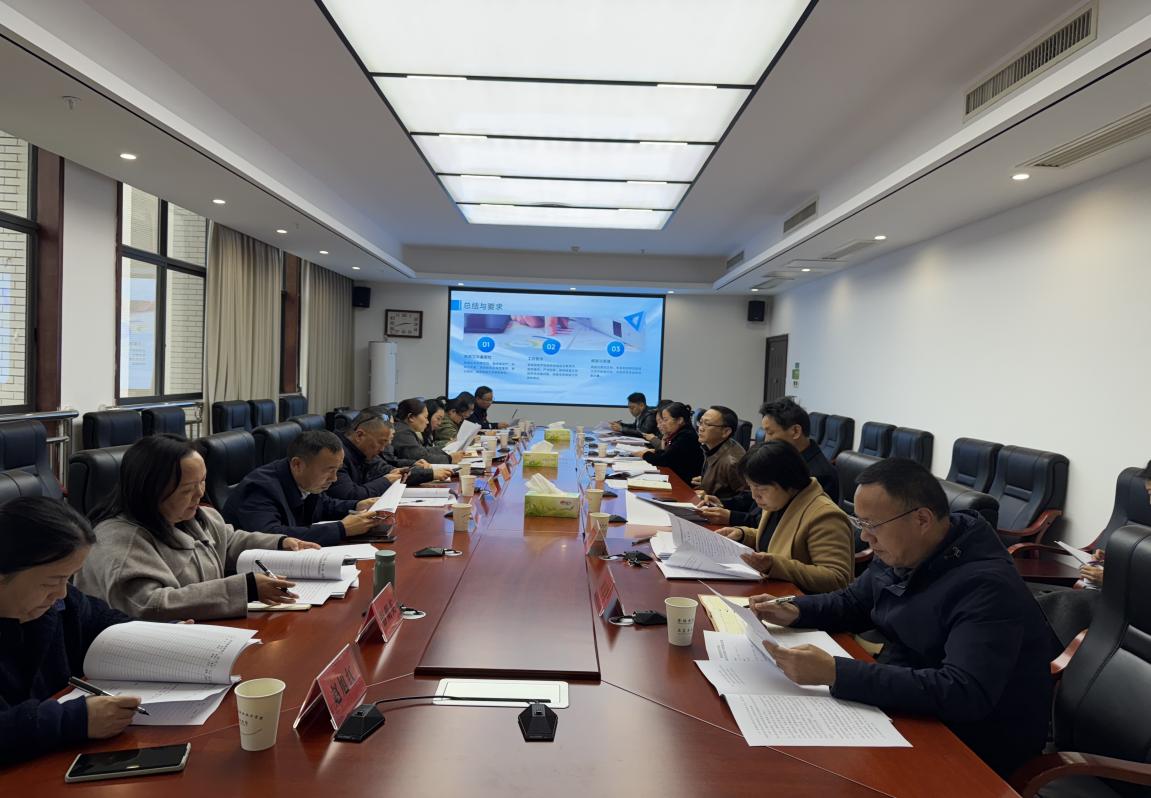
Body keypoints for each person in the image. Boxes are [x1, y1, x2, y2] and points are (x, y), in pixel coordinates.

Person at [749, 458, 1059, 777]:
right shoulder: (908, 549)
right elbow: (854, 602)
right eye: (860, 523)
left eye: (872, 525)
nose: (865, 538)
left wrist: (836, 672)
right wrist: (796, 609)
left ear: (922, 519)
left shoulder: (986, 586)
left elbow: (963, 692)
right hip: (910, 700)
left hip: (971, 744)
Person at [77, 435, 316, 621]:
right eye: (188, 488)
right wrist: (246, 589)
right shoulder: (120, 540)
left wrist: (280, 543)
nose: (200, 493)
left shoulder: (193, 516)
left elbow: (228, 541)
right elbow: (148, 604)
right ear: (151, 489)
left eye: (202, 482)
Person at [0, 497, 140, 766]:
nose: (62, 593)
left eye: (69, 578)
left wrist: (160, 635)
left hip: (51, 761)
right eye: (51, 582)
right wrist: (74, 720)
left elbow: (101, 621)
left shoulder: (57, 603)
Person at [1035, 458, 1151, 645]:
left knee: (1061, 608)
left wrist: (1110, 581)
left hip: (1137, 616)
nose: (1150, 502)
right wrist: (1114, 562)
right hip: (1120, 601)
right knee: (1050, 605)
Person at [716, 441, 852, 592]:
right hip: (771, 589)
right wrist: (743, 535)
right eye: (751, 486)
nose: (754, 496)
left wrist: (774, 565)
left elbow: (837, 579)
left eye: (761, 488)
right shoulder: (781, 499)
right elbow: (781, 538)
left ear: (788, 481)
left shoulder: (825, 516)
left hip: (799, 600)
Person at [222, 430, 385, 546]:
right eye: (329, 470)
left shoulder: (306, 479)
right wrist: (342, 529)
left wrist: (357, 505)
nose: (334, 478)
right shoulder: (260, 488)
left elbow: (324, 504)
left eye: (337, 470)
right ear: (297, 464)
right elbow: (271, 536)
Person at [697, 397, 839, 527]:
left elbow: (780, 523)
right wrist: (723, 503)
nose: (765, 440)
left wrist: (732, 517)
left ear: (795, 431)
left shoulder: (819, 475)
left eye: (770, 433)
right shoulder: (784, 459)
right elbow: (758, 498)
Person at [641, 402, 704, 485]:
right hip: (677, 478)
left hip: (684, 484)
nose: (663, 423)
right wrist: (656, 452)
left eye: (666, 420)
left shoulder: (686, 436)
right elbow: (668, 454)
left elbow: (664, 460)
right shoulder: (680, 433)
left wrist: (644, 454)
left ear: (680, 420)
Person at [692, 405, 746, 500]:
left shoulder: (732, 462)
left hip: (718, 508)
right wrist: (705, 480)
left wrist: (718, 501)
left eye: (707, 424)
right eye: (700, 422)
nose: (700, 428)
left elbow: (746, 498)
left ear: (726, 432)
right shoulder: (713, 446)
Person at [392, 398, 465, 465]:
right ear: (411, 417)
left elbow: (424, 451)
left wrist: (445, 448)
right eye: (425, 417)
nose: (427, 422)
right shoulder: (402, 433)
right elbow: (422, 457)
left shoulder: (403, 429)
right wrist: (450, 459)